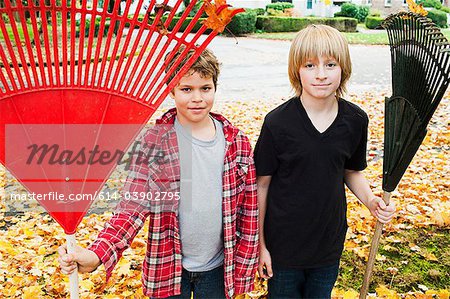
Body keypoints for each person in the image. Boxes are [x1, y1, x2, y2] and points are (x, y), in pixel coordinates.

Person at [57, 46, 259, 299]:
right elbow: (132, 205)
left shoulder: (236, 142)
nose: (197, 98)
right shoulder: (155, 142)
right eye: (187, 89)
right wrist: (98, 253)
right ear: (171, 91)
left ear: (214, 88)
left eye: (205, 88)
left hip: (219, 269)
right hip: (168, 268)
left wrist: (249, 260)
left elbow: (250, 209)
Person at [254, 24, 396, 298]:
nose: (321, 75)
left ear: (343, 68)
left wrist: (371, 201)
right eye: (310, 65)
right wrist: (261, 245)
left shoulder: (355, 120)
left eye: (330, 64)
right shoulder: (277, 122)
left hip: (327, 243)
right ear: (297, 70)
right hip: (283, 246)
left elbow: (351, 170)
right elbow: (261, 185)